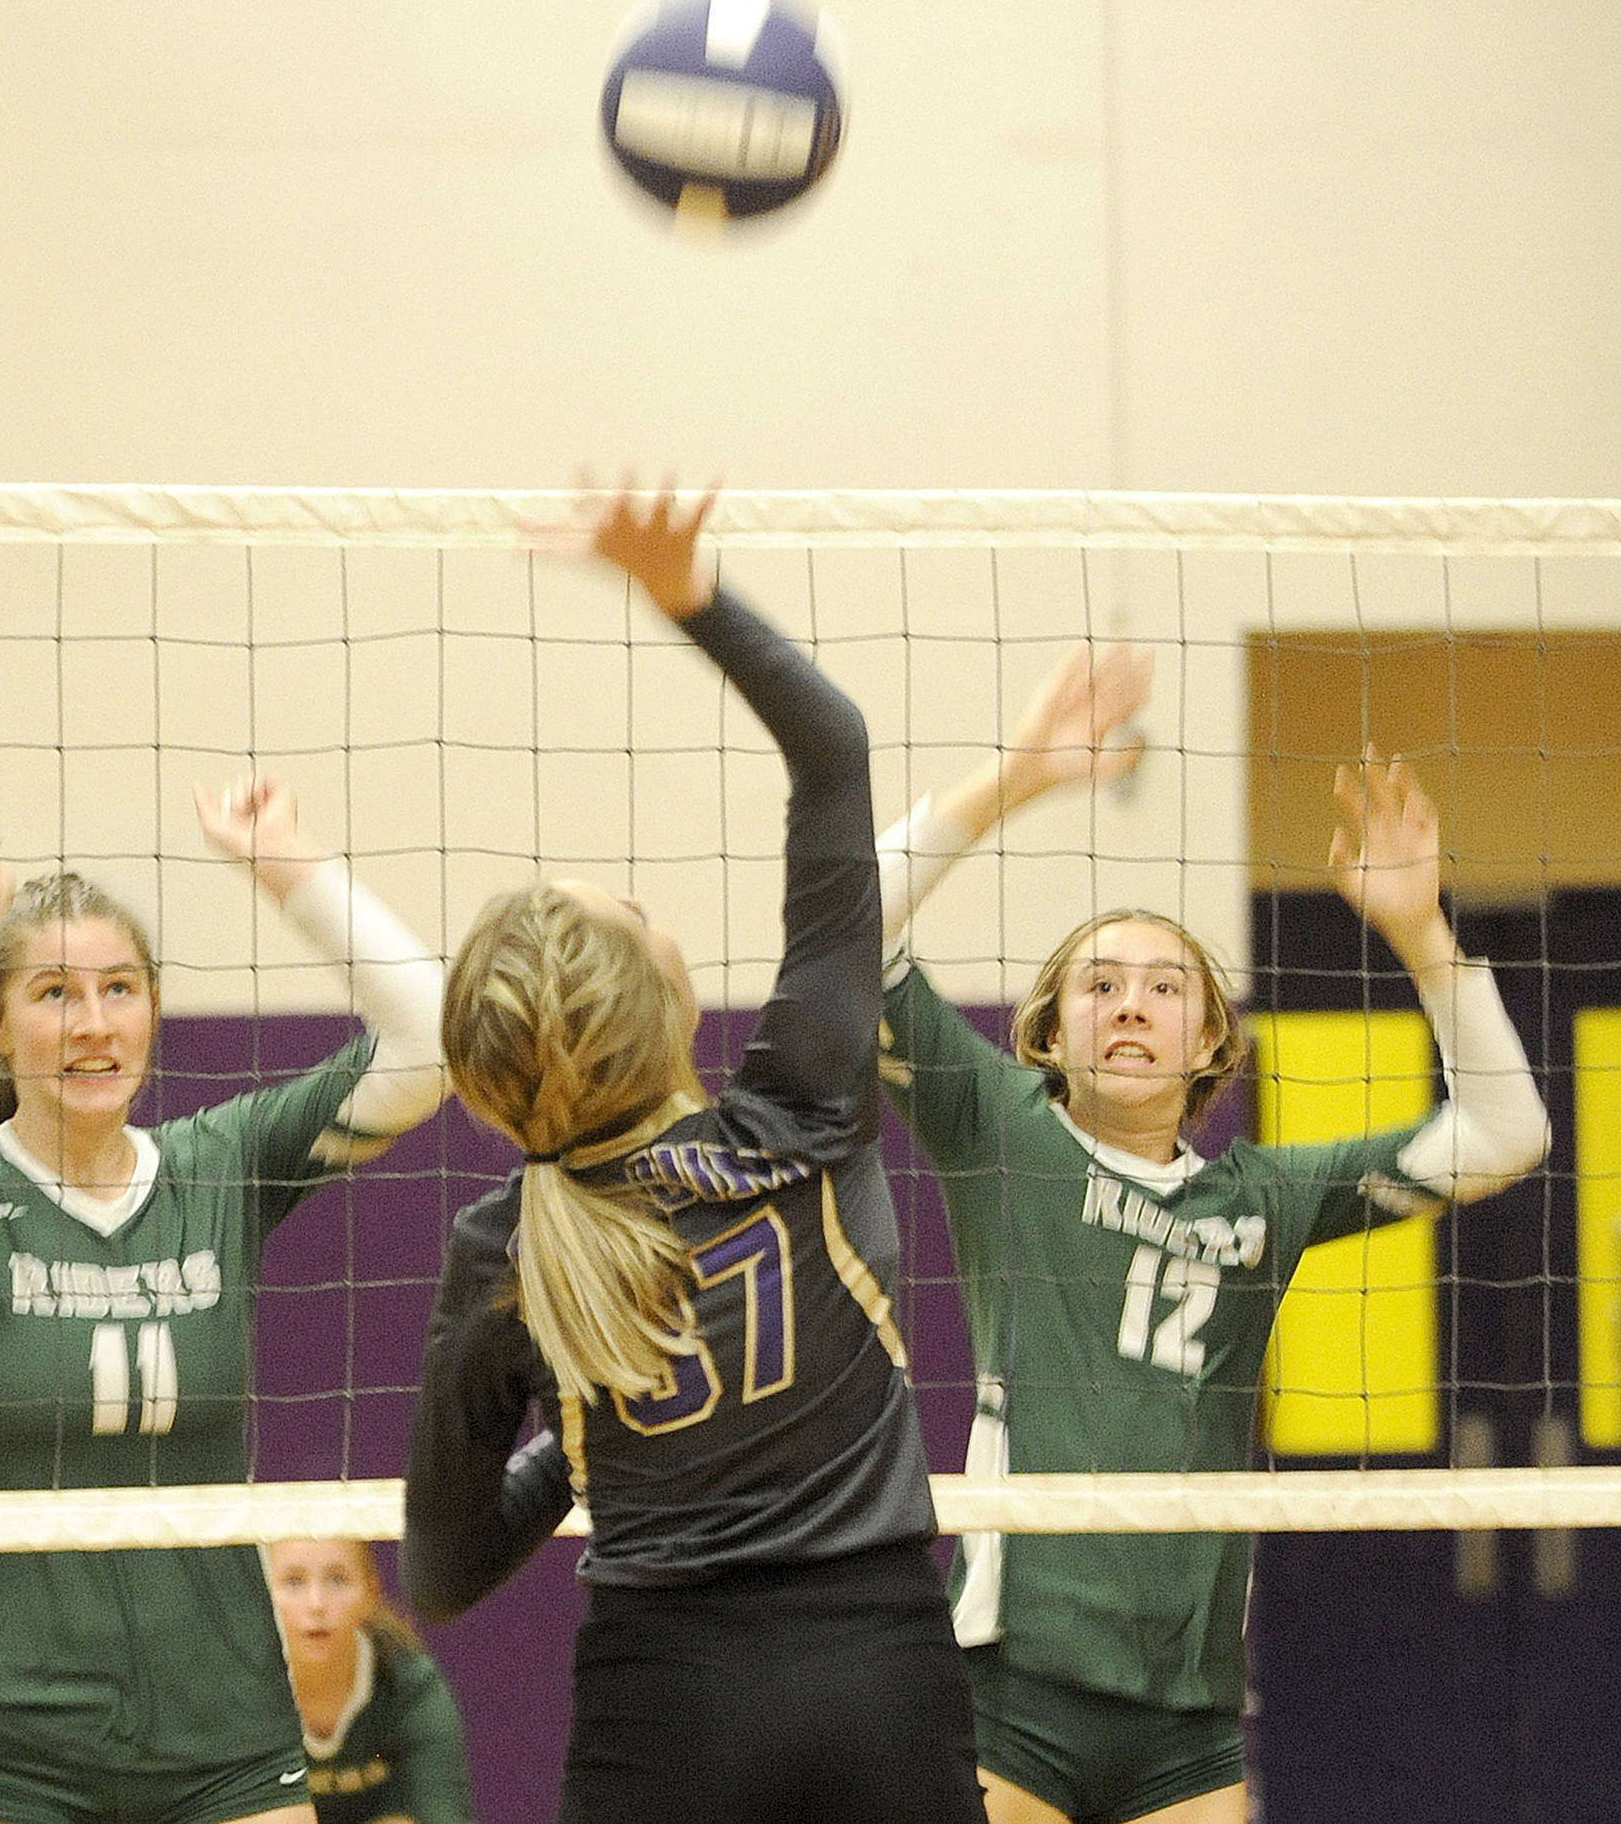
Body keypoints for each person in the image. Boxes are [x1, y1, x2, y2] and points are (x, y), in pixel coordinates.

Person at [874, 644, 1552, 1824]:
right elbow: (839, 930)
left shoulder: (1263, 1196)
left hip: (1187, 1712)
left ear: (1207, 1045)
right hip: (1010, 1688)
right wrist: (1017, 777)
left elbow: (1504, 1129)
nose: (1129, 1000)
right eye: (1097, 984)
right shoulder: (999, 1128)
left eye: (1162, 985)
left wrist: (1418, 932)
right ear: (1045, 1034)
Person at [399, 486, 989, 1824]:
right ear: (664, 1004)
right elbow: (831, 748)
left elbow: (438, 1570)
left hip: (660, 1705)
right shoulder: (802, 1106)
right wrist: (682, 589)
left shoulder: (502, 1247)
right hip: (879, 1676)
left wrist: (585, 1436)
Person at [0, 775, 445, 1824]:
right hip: (4, 1734)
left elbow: (433, 1039)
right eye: (53, 993)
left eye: (120, 989)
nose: (93, 1023)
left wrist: (280, 863)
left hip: (226, 1726)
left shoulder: (221, 1164)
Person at [267, 1536, 474, 1824]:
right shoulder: (240, 1692)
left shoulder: (412, 1688)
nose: (316, 1604)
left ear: (371, 1593)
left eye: (337, 1580)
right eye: (293, 1581)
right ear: (261, 1594)